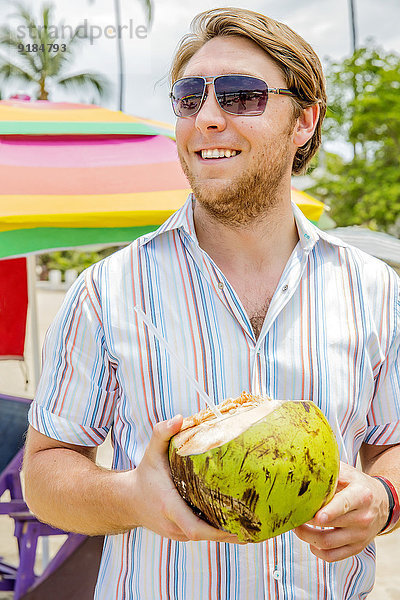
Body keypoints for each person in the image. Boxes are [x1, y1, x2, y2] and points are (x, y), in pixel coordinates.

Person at [23, 7, 400, 599]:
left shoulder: (375, 290)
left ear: (304, 119)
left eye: (241, 96)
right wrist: (130, 497)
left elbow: (392, 443)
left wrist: (384, 499)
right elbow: (44, 473)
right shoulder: (105, 291)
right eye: (188, 99)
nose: (208, 119)